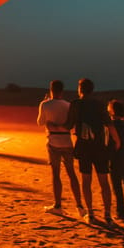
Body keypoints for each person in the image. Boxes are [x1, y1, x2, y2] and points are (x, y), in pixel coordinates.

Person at [64, 78, 118, 224]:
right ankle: (107, 214)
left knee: (86, 181)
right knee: (104, 181)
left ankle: (91, 213)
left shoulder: (76, 104)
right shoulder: (100, 105)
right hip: (100, 147)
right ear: (92, 90)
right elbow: (109, 124)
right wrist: (117, 141)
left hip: (84, 147)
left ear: (80, 89)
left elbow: (68, 125)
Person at [37, 80, 83, 217]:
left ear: (51, 90)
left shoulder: (45, 104)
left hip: (53, 141)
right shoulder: (68, 105)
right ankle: (79, 206)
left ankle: (58, 205)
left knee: (56, 174)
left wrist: (46, 109)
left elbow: (40, 122)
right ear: (62, 91)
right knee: (72, 173)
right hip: (67, 141)